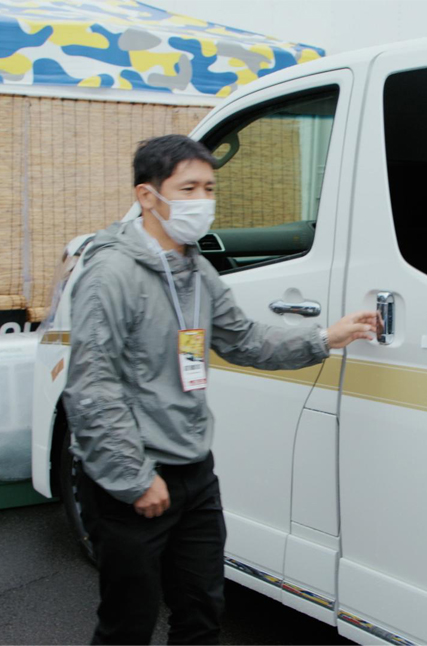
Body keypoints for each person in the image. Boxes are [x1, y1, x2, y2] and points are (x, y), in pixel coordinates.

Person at [64, 134, 379, 645]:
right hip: (133, 476)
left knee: (202, 614)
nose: (202, 201)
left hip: (193, 472)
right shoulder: (111, 272)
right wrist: (133, 477)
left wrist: (325, 338)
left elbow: (244, 339)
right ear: (147, 195)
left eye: (209, 188)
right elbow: (91, 387)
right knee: (128, 625)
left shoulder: (195, 268)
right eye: (188, 189)